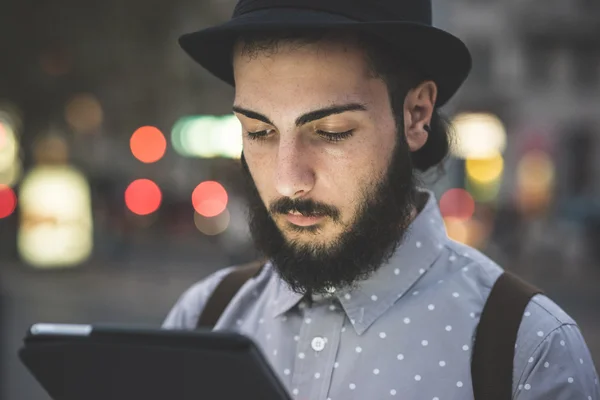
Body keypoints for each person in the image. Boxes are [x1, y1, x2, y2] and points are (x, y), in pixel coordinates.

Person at [163, 0, 600, 398]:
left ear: (416, 115)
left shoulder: (527, 349)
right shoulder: (204, 318)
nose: (287, 181)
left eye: (332, 132)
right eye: (259, 133)